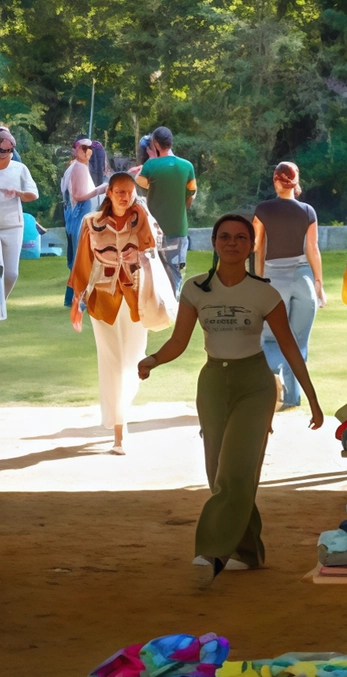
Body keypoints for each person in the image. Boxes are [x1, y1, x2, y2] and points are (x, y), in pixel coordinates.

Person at [138, 214, 323, 585]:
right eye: (225, 236)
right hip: (212, 382)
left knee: (237, 469)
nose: (233, 243)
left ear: (251, 245)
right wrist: (153, 360)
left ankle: (213, 550)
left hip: (255, 383)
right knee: (217, 473)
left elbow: (289, 347)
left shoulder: (264, 292)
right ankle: (249, 551)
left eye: (241, 237)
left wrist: (313, 399)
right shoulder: (195, 288)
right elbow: (179, 342)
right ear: (214, 243)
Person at [67, 173, 156, 454]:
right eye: (119, 191)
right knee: (111, 363)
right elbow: (82, 262)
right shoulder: (91, 223)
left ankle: (120, 417)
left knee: (133, 360)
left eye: (129, 192)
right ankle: (119, 429)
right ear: (109, 193)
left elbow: (155, 249)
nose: (124, 196)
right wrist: (76, 302)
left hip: (135, 299)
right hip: (102, 300)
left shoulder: (141, 218)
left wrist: (139, 256)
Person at [253, 162, 324, 410]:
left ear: (275, 180)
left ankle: (270, 385)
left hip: (274, 280)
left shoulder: (263, 210)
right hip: (303, 278)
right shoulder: (308, 211)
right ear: (296, 182)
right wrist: (319, 284)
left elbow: (256, 247)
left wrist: (257, 280)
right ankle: (293, 397)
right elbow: (312, 249)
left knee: (271, 340)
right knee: (298, 343)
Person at [136, 126, 197, 293]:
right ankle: (175, 304)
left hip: (153, 230)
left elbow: (139, 187)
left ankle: (159, 306)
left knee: (154, 271)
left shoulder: (150, 166)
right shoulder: (187, 166)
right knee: (176, 271)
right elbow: (191, 194)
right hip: (179, 228)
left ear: (155, 143)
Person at [62, 137, 107, 306]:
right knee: (81, 259)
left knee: (77, 259)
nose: (88, 150)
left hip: (73, 217)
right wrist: (100, 189)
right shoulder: (79, 168)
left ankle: (72, 298)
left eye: (90, 148)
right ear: (77, 150)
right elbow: (79, 196)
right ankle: (79, 299)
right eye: (84, 147)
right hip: (80, 217)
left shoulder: (74, 167)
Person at [0, 128, 38, 306]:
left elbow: (33, 194)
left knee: (11, 274)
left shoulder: (19, 169)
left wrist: (19, 193)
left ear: (12, 150)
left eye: (5, 151)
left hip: (12, 225)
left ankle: (1, 303)